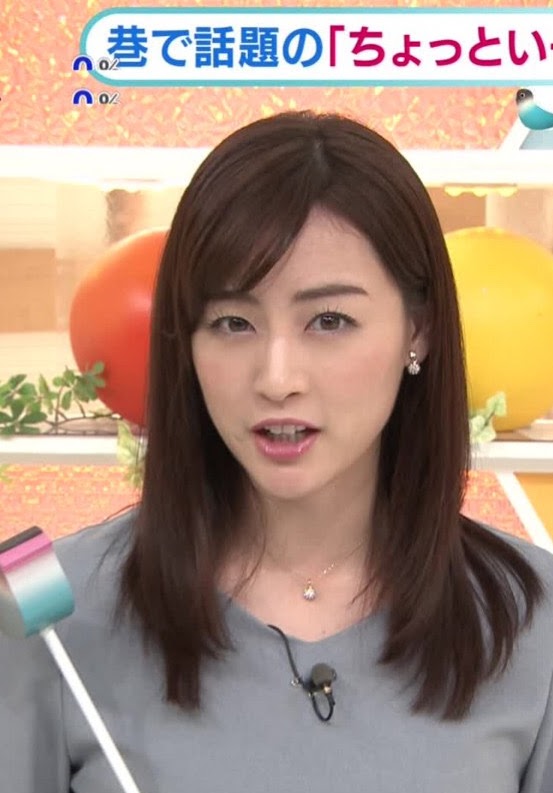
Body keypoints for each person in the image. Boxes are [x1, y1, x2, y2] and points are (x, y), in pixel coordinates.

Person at [1, 110, 553, 793]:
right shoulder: (45, 606)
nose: (277, 377)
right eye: (233, 322)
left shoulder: (534, 619)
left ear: (419, 330)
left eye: (329, 320)